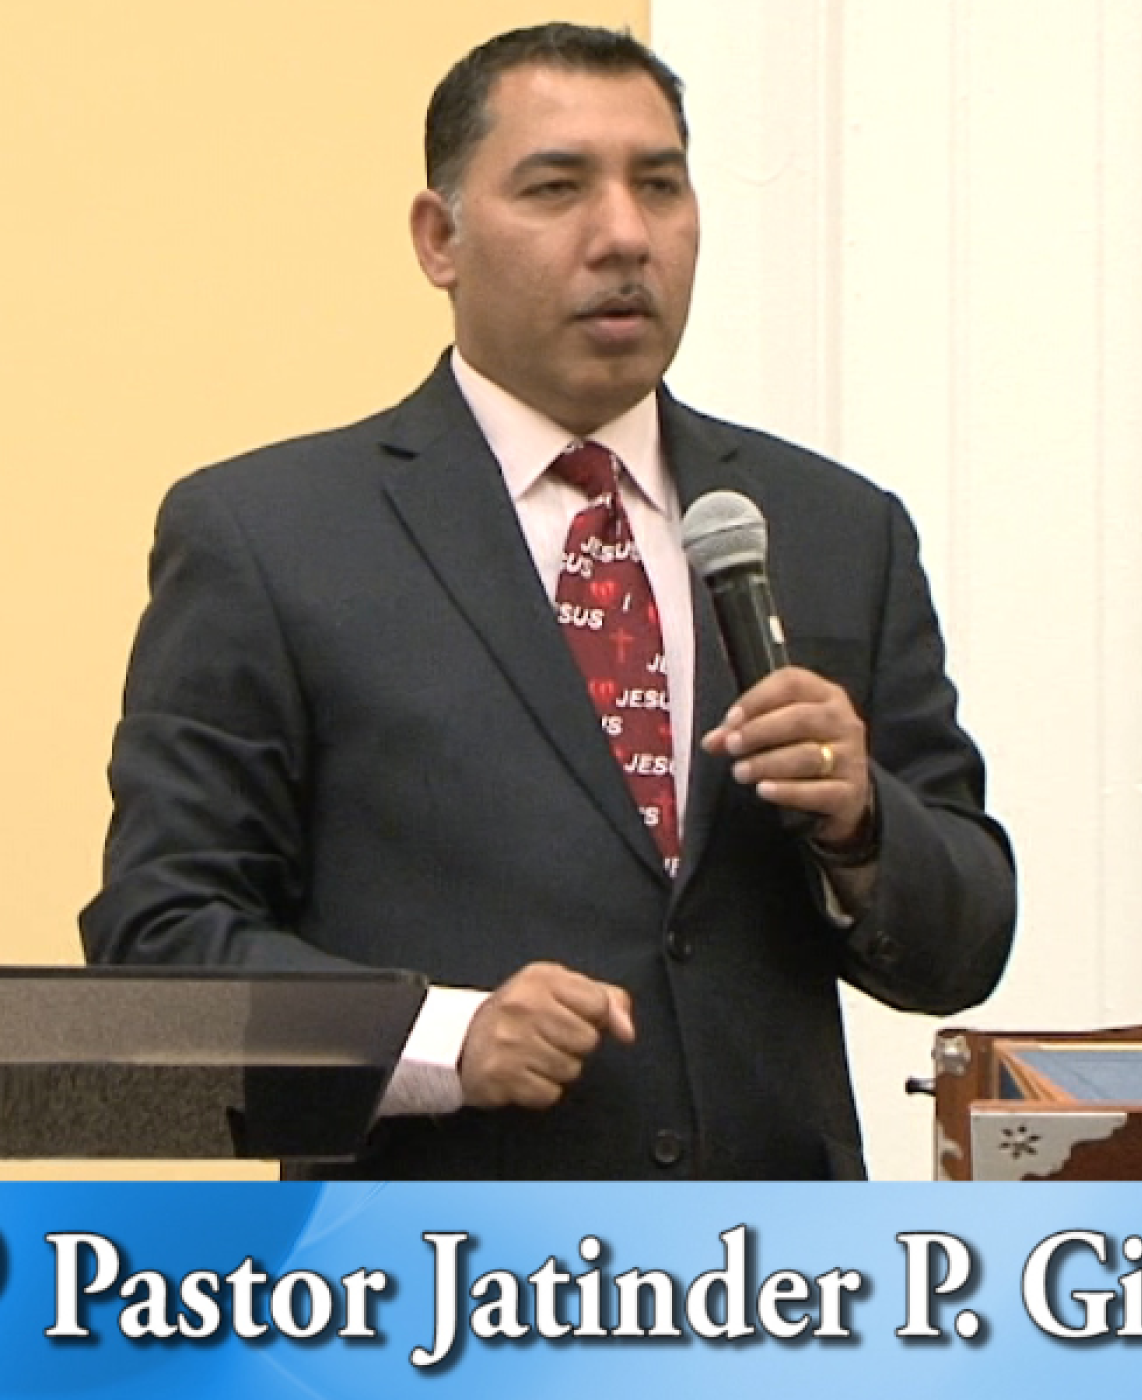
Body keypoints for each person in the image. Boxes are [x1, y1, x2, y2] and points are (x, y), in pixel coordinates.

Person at [80, 23, 1015, 1179]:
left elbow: (965, 945)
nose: (623, 234)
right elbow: (154, 966)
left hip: (768, 1269)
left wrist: (861, 824)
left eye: (658, 185)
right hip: (429, 1268)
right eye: (556, 187)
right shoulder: (270, 536)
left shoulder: (832, 526)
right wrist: (441, 1039)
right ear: (439, 239)